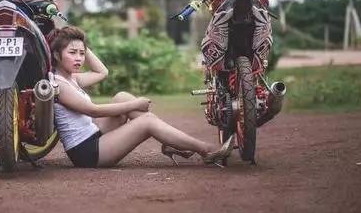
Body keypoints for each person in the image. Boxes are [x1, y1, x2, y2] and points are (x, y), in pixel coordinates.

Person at [49, 26, 234, 168]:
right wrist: (136, 104)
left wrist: (78, 41)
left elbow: (102, 72)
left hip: (93, 135)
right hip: (87, 152)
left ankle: (171, 143)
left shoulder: (72, 79)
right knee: (146, 122)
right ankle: (206, 150)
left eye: (82, 54)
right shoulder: (59, 85)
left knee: (122, 96)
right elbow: (94, 111)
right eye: (72, 53)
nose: (79, 59)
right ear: (57, 55)